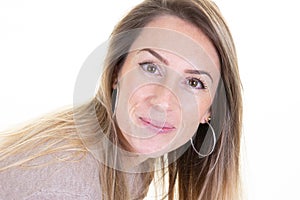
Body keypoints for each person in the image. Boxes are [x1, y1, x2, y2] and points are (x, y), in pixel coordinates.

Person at [0, 0, 243, 199]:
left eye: (193, 83)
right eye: (150, 67)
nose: (163, 101)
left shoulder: (133, 164)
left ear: (211, 110)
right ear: (117, 71)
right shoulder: (67, 186)